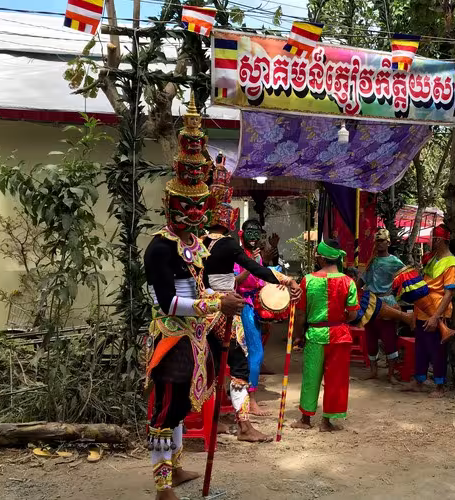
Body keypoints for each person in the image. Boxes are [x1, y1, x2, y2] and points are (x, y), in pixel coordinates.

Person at [143, 94, 244, 499]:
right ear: (171, 205)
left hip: (196, 335)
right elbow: (167, 302)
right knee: (166, 408)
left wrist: (219, 307)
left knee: (184, 406)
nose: (196, 217)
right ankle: (161, 482)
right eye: (188, 208)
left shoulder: (195, 243)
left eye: (201, 208)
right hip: (171, 336)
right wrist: (218, 304)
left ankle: (178, 465)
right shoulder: (160, 248)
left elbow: (200, 286)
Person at [203, 202, 300, 441]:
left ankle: (213, 421)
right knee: (240, 367)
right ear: (231, 221)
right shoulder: (226, 244)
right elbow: (256, 270)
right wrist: (288, 280)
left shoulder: (197, 243)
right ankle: (244, 427)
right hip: (226, 312)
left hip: (201, 311)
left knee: (212, 367)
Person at [292, 239, 360, 432]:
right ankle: (327, 422)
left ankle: (305, 419)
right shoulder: (348, 281)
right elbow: (353, 314)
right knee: (336, 378)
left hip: (315, 333)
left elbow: (301, 313)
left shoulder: (308, 280)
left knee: (311, 376)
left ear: (321, 258)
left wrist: (298, 335)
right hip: (340, 335)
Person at [234, 219, 285, 415]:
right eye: (250, 232)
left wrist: (277, 282)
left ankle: (248, 395)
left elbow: (263, 276)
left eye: (257, 233)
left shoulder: (256, 255)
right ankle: (251, 400)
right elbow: (234, 282)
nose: (254, 237)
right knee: (255, 352)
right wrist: (251, 265)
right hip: (244, 306)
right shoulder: (236, 255)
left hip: (256, 305)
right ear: (242, 233)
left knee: (255, 351)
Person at [401, 224, 455, 398]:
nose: (430, 242)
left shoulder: (451, 263)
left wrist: (436, 316)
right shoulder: (433, 258)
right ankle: (419, 381)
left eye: (433, 239)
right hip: (422, 309)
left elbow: (449, 292)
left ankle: (440, 386)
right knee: (422, 347)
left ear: (440, 240)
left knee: (437, 349)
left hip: (437, 312)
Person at [358, 228, 407, 382]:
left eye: (382, 241)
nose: (379, 244)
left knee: (389, 338)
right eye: (377, 241)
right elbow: (362, 280)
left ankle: (391, 374)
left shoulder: (395, 261)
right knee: (370, 337)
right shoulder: (371, 261)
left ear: (388, 242)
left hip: (387, 302)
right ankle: (374, 371)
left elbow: (407, 278)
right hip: (370, 302)